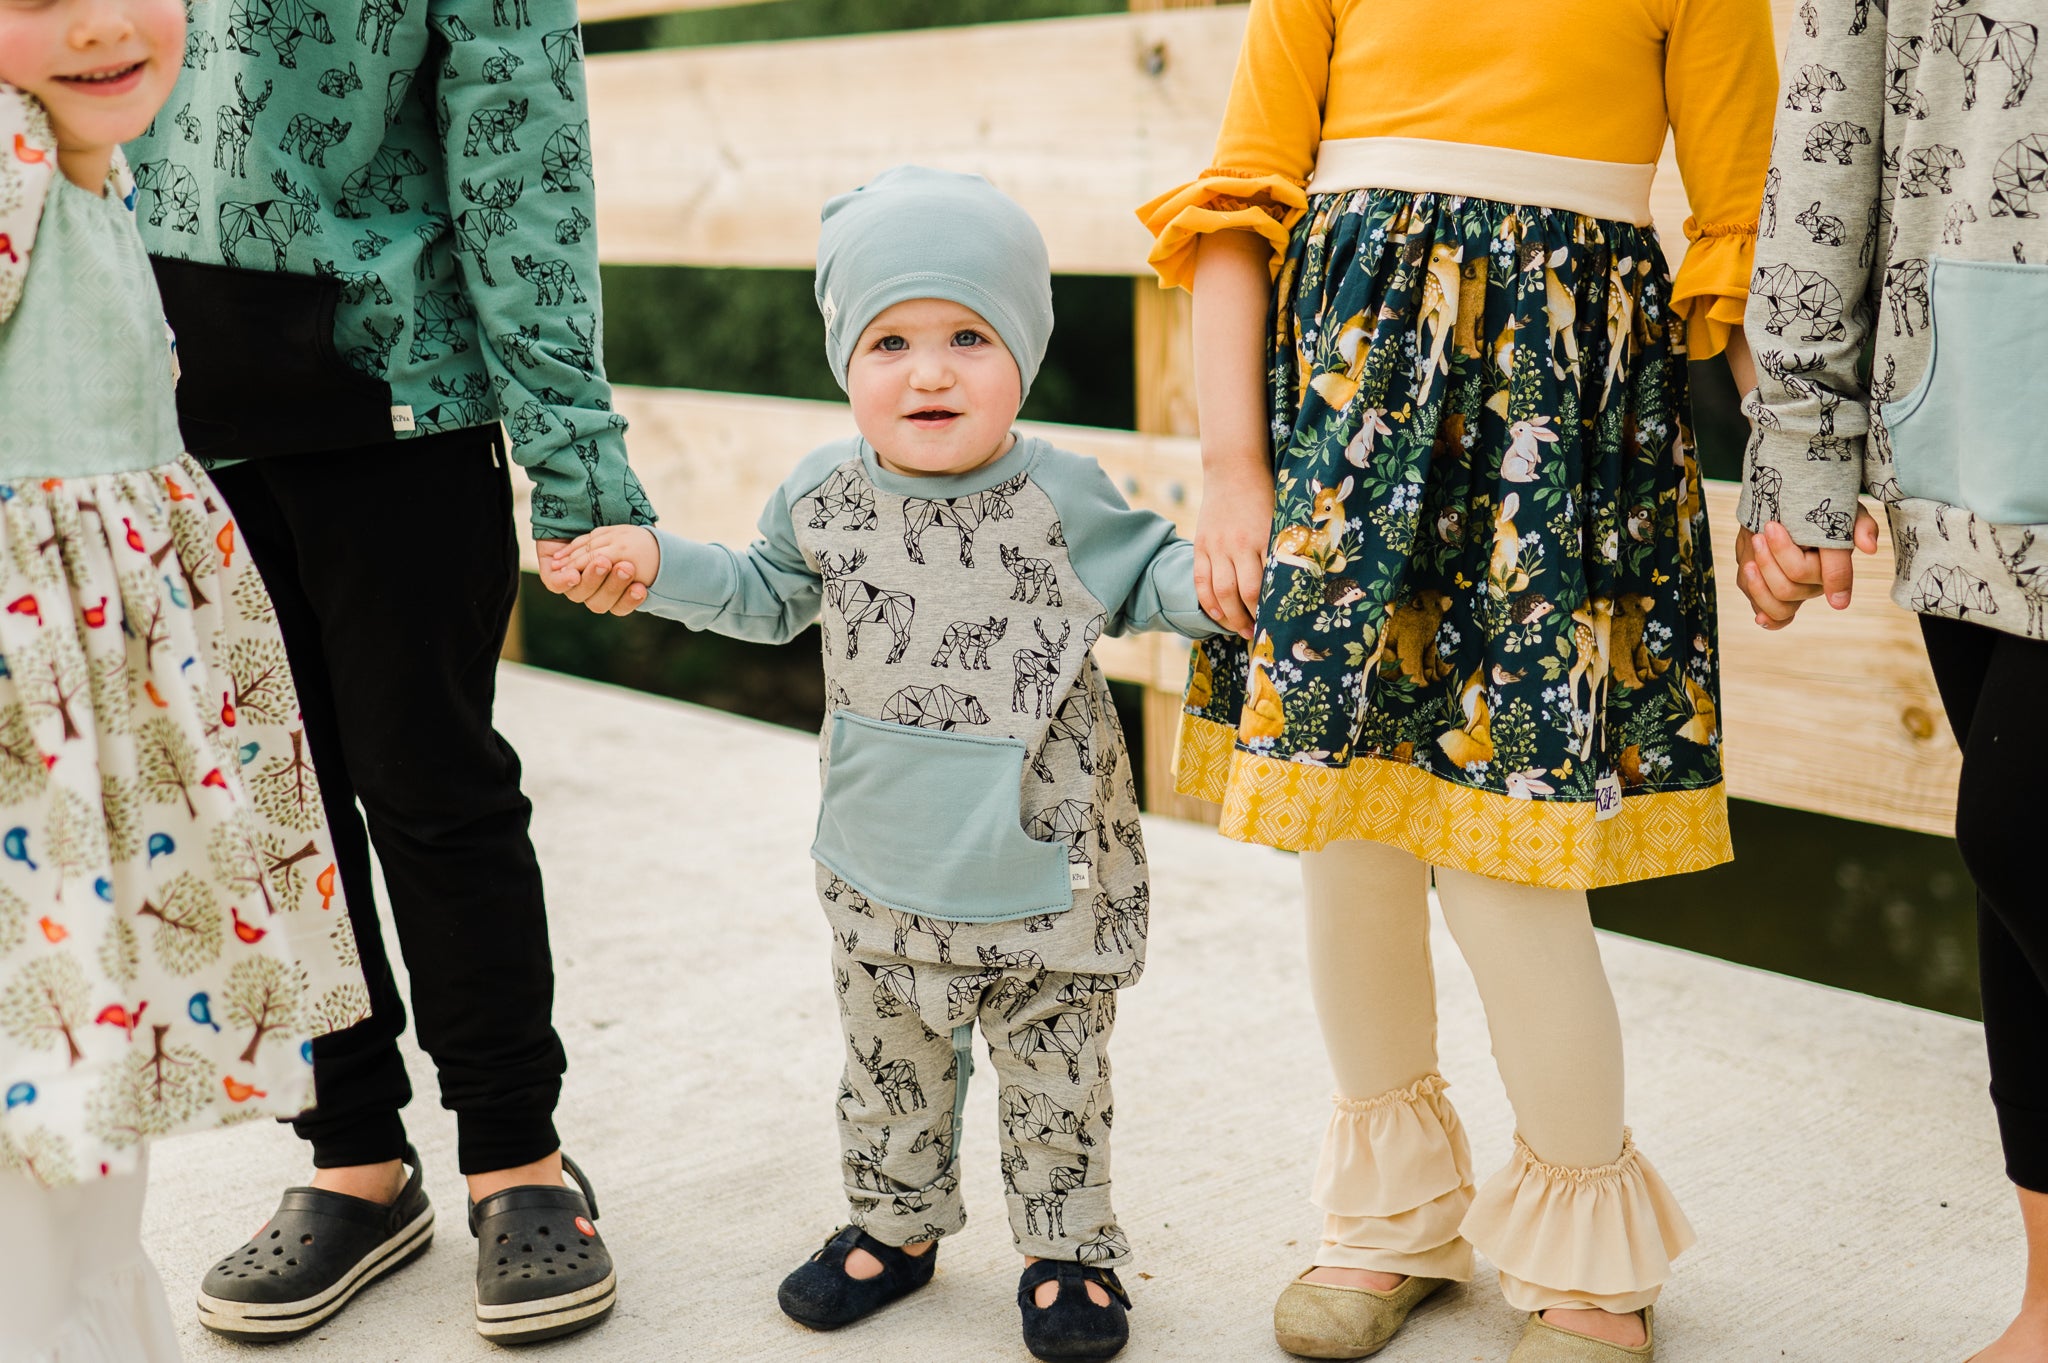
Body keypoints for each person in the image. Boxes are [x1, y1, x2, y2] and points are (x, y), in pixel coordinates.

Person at [1136, 1, 1777, 1357]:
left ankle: (1583, 1248)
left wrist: (1790, 474)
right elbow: (1239, 221)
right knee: (1350, 844)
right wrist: (1234, 468)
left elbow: (1746, 241)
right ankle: (1390, 1216)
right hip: (1348, 449)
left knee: (1513, 872)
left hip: (1551, 456)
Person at [555, 165, 1226, 1363]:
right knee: (887, 1061)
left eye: (970, 335)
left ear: (1022, 349)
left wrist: (1229, 589)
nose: (929, 371)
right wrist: (658, 563)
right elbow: (764, 598)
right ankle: (893, 1225)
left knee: (1055, 1071)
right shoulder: (823, 493)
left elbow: (1153, 578)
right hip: (883, 858)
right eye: (890, 340)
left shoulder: (1059, 495)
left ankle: (1067, 1249)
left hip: (1043, 865)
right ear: (843, 360)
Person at [124, 0, 654, 1338]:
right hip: (161, 420)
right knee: (264, 813)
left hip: (395, 398)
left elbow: (519, 149)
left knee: (431, 785)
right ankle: (352, 1153)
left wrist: (575, 457)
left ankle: (517, 1156)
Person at [0, 12, 367, 1355]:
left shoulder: (80, 154)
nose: (98, 20)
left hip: (100, 729)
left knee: (86, 1104)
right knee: (44, 1102)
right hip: (32, 733)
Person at [1737, 4, 2048, 1360]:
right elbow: (1826, 111)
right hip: (1981, 400)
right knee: (2014, 847)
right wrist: (1801, 442)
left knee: (2027, 826)